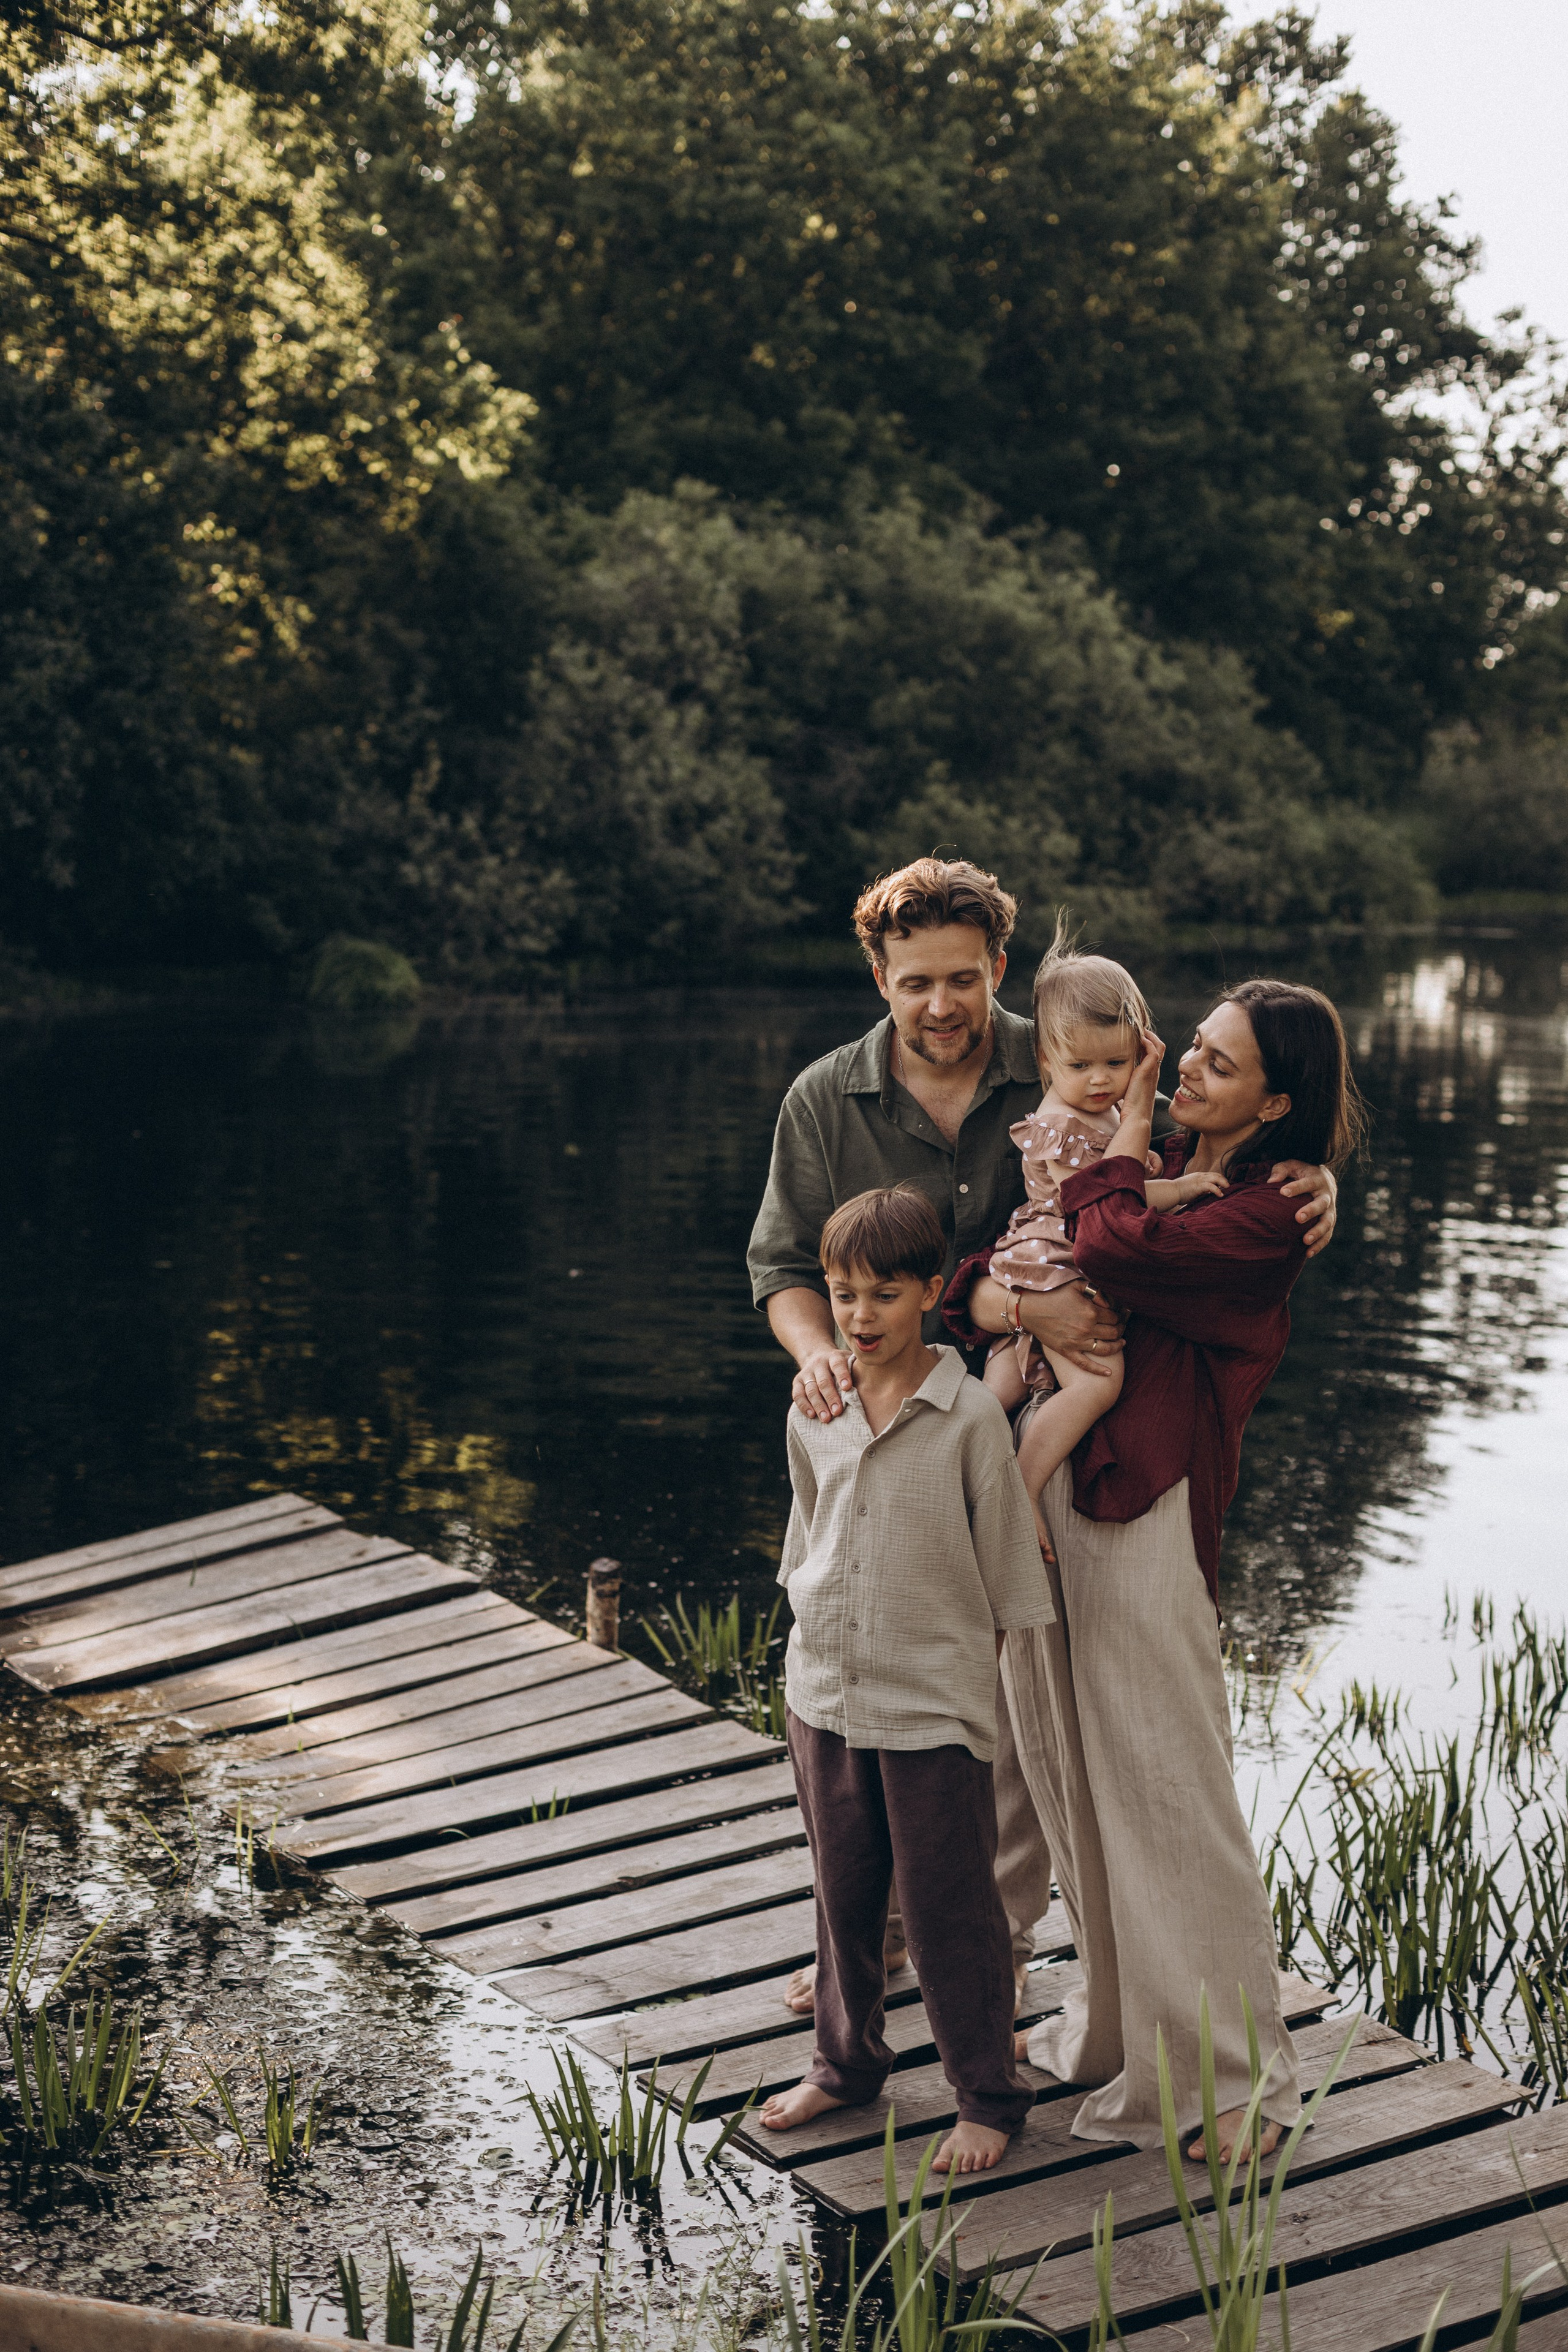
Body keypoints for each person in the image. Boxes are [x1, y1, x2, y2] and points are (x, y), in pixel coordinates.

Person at [746, 857, 1340, 2014]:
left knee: (1014, 1723)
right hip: (880, 1431)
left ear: (1000, 969)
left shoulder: (1077, 1047)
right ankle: (869, 1942)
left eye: (963, 979)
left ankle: (997, 1954)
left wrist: (1313, 1174)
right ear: (879, 978)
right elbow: (780, 1265)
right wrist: (822, 1352)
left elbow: (1203, 1146)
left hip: (1019, 1427)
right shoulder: (826, 1099)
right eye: (915, 982)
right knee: (861, 1685)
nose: (941, 1005)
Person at [949, 980, 1365, 2163]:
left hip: (1148, 1504)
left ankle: (1237, 2079)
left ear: (1276, 1104)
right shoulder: (1159, 1154)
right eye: (1196, 1046)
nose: (1187, 1066)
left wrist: (1120, 1156)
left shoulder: (1269, 1215)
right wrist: (1000, 1294)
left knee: (1170, 1789)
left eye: (1221, 1065)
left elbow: (1105, 1245)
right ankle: (1121, 2028)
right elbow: (995, 1260)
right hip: (1054, 1491)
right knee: (1069, 1768)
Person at [758, 1185, 1051, 2173]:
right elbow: (805, 1543)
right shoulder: (817, 1408)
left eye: (884, 1295)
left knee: (949, 1913)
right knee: (843, 1900)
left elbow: (1007, 1581)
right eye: (843, 1295)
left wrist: (972, 1700)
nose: (860, 1316)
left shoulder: (969, 1420)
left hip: (932, 1712)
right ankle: (845, 2067)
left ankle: (988, 2096)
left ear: (932, 1291)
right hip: (824, 1695)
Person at [982, 922, 1229, 1545]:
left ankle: (963, 1474)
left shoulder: (1110, 1110)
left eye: (1117, 1063)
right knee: (1099, 1382)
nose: (1099, 1080)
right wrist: (1178, 1190)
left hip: (1054, 1261)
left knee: (1004, 1386)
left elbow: (1135, 1171)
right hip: (1054, 1260)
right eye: (1080, 1065)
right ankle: (1022, 1488)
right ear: (1046, 1061)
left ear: (1139, 1055)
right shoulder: (1060, 1123)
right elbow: (1104, 1199)